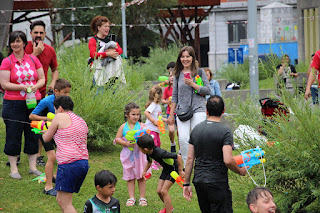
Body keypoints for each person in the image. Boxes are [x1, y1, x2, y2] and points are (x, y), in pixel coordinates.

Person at [183, 95, 247, 212]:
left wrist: (186, 183)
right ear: (223, 111)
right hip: (217, 181)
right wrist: (240, 171)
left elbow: (189, 159)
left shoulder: (196, 129)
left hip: (199, 180)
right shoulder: (225, 131)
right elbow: (227, 160)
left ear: (206, 111)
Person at [0, 30, 45, 180]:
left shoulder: (33, 59)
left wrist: (34, 87)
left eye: (18, 41)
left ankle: (32, 167)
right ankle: (13, 169)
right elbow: (4, 84)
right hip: (13, 103)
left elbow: (42, 78)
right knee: (13, 133)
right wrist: (22, 88)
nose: (15, 44)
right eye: (13, 41)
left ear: (25, 43)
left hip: (34, 102)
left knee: (33, 133)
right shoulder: (7, 61)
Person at [42, 96, 89, 213]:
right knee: (61, 199)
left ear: (61, 108)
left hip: (69, 164)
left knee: (65, 203)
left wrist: (44, 132)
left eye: (55, 110)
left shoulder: (60, 116)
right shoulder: (81, 120)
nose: (55, 113)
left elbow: (46, 138)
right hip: (82, 163)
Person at [167, 46, 210, 165]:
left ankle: (200, 162)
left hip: (198, 108)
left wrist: (193, 84)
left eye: (188, 56)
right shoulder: (177, 74)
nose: (185, 59)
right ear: (179, 58)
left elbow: (208, 90)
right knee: (183, 138)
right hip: (183, 111)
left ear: (192, 57)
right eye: (183, 57)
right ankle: (187, 164)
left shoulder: (200, 72)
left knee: (198, 137)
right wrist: (171, 115)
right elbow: (174, 95)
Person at [25, 20, 59, 166]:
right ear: (31, 33)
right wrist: (35, 53)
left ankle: (39, 155)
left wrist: (52, 82)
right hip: (23, 93)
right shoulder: (24, 47)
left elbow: (55, 69)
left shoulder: (50, 50)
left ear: (45, 34)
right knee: (23, 124)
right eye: (35, 32)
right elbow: (24, 66)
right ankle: (21, 154)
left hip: (42, 93)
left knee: (39, 124)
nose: (38, 35)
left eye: (41, 33)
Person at [29, 78, 71, 196]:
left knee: (62, 155)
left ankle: (55, 177)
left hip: (59, 132)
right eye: (65, 92)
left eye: (68, 92)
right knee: (52, 157)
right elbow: (32, 116)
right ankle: (48, 187)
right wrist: (47, 119)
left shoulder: (66, 102)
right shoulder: (47, 101)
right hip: (45, 131)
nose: (67, 95)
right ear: (56, 91)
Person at [137, 134, 184, 213]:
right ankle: (169, 207)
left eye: (139, 148)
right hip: (166, 169)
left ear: (145, 149)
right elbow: (149, 161)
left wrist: (180, 171)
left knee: (164, 191)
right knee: (159, 191)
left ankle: (169, 211)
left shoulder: (160, 153)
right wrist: (144, 171)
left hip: (173, 170)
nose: (139, 149)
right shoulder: (148, 152)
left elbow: (178, 156)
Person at [114, 102, 148, 207]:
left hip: (140, 155)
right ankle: (131, 197)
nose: (136, 116)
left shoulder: (142, 126)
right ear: (127, 115)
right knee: (130, 176)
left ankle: (142, 197)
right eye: (133, 114)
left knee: (141, 176)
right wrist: (125, 143)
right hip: (128, 155)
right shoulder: (123, 127)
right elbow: (117, 139)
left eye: (138, 114)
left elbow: (147, 138)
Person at [89, 15, 125, 87]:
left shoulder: (110, 40)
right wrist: (107, 54)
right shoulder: (93, 40)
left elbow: (120, 51)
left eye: (108, 27)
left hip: (111, 71)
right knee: (99, 92)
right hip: (98, 70)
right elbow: (93, 54)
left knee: (112, 92)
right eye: (105, 26)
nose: (107, 29)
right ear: (99, 28)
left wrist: (113, 51)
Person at [145, 85, 167, 170]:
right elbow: (146, 113)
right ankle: (152, 162)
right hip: (151, 129)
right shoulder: (153, 104)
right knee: (152, 145)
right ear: (159, 96)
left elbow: (159, 117)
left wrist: (166, 120)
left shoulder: (157, 105)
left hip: (156, 130)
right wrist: (153, 121)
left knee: (158, 144)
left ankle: (157, 161)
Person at [162, 69, 178, 153]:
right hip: (170, 112)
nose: (172, 77)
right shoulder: (166, 89)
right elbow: (162, 100)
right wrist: (167, 102)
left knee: (180, 132)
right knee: (171, 130)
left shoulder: (179, 88)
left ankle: (181, 149)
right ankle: (172, 143)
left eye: (174, 76)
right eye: (170, 76)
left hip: (179, 113)